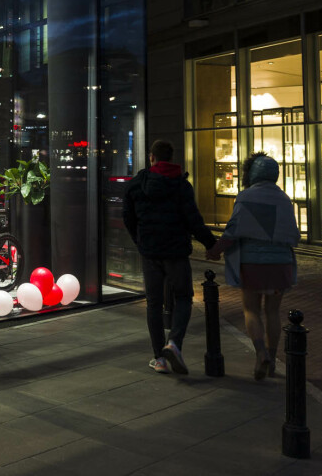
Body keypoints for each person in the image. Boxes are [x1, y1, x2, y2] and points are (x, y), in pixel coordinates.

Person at [123, 139, 216, 375]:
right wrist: (212, 245)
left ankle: (160, 359)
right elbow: (193, 221)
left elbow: (128, 217)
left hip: (150, 252)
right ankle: (174, 343)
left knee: (154, 304)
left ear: (151, 157)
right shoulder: (181, 186)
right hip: (176, 252)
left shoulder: (137, 185)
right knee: (183, 297)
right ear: (171, 158)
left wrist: (140, 241)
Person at [206, 152, 301, 380]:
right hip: (280, 264)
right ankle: (272, 359)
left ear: (251, 174)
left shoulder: (246, 197)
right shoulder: (284, 199)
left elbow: (233, 231)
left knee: (251, 310)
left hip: (252, 264)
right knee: (273, 312)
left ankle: (260, 354)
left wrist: (215, 250)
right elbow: (294, 235)